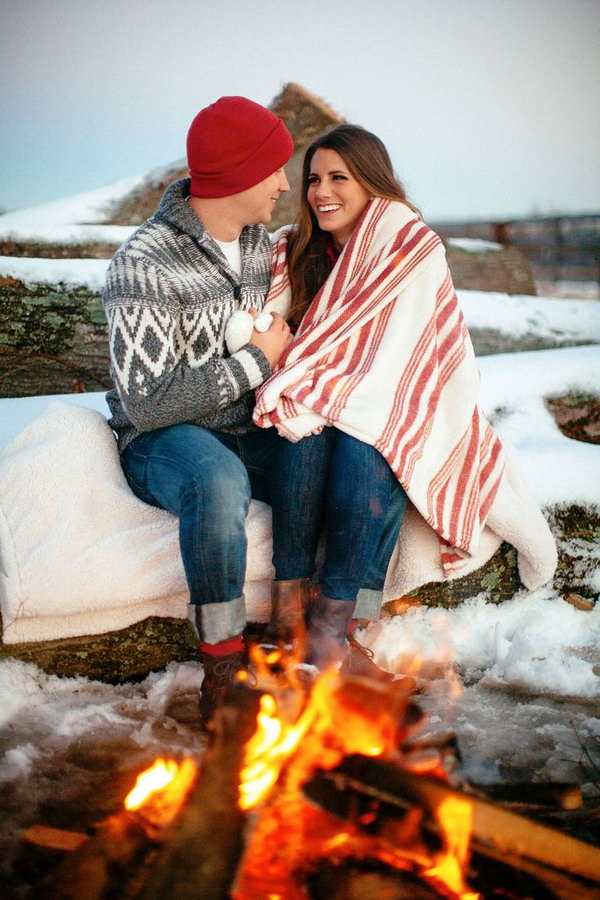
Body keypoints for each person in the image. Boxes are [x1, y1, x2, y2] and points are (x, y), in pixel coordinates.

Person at [253, 124, 509, 674]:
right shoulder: (294, 250)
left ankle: (330, 632)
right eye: (314, 179)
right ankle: (287, 613)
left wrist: (347, 390)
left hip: (389, 400)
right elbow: (274, 331)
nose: (322, 192)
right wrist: (310, 376)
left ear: (372, 182)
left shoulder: (409, 247)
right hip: (314, 395)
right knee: (304, 433)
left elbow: (417, 351)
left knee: (367, 445)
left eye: (339, 178)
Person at [102, 96, 293, 725]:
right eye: (274, 169)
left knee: (330, 449)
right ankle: (222, 665)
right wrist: (257, 361)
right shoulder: (144, 263)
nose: (284, 184)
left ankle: (314, 632)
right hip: (163, 438)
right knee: (216, 479)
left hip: (245, 424)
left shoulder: (260, 244)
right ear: (238, 174)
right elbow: (148, 402)